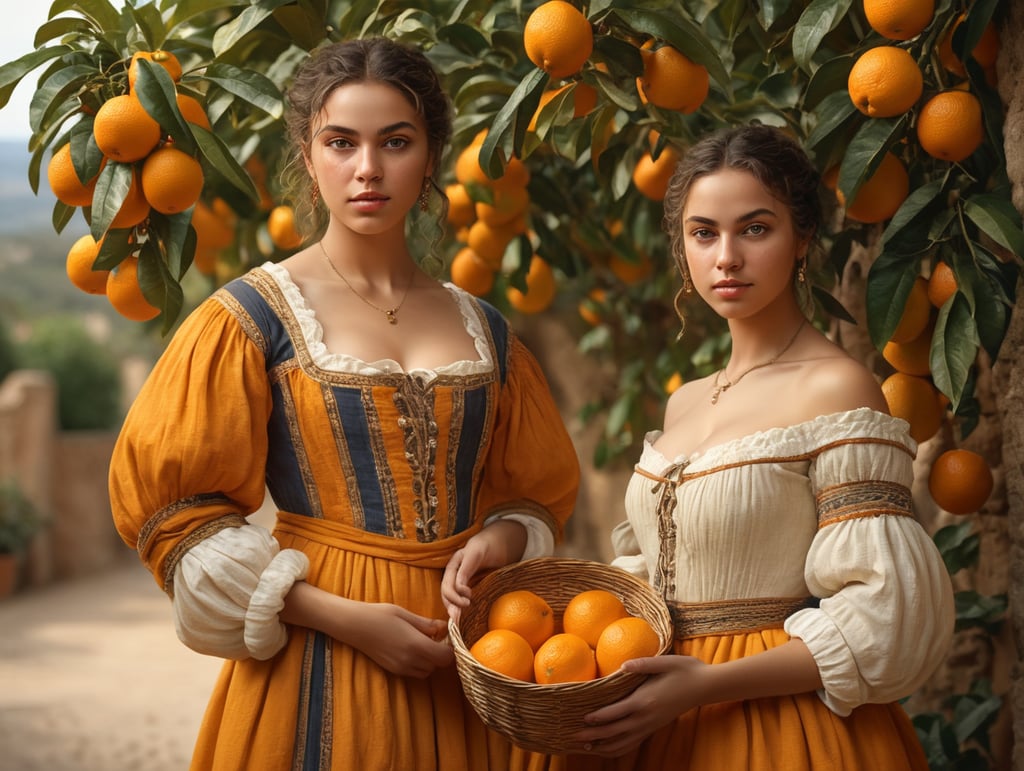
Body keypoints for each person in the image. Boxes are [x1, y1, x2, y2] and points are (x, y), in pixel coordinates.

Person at [108, 36, 580, 771]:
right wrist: (343, 617)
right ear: (307, 154)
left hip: (473, 658)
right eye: (341, 142)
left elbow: (535, 496)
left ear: (429, 156)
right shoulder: (252, 318)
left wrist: (503, 540)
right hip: (318, 651)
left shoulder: (485, 330)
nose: (368, 169)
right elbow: (179, 518)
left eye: (396, 142)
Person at [553, 125, 954, 769]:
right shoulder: (683, 400)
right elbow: (653, 576)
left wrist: (707, 684)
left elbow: (885, 614)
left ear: (802, 239)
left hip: (777, 728)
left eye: (755, 229)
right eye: (704, 232)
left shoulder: (838, 387)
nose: (726, 257)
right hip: (654, 721)